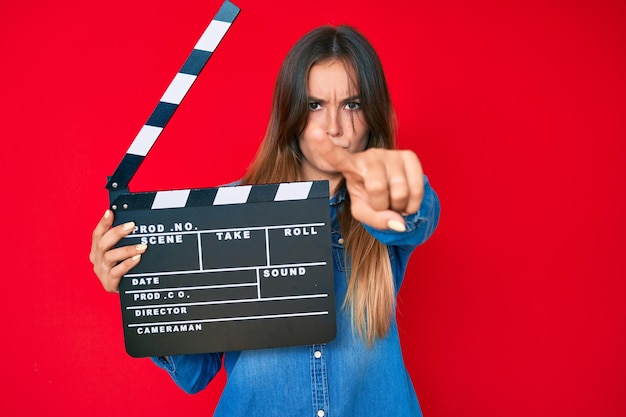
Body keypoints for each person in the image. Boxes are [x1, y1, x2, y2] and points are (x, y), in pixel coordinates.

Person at [90, 24, 440, 416]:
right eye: (315, 105)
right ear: (291, 112)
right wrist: (140, 290)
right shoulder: (228, 215)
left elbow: (419, 216)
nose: (334, 127)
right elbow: (196, 374)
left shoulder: (381, 206)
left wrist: (398, 196)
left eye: (352, 105)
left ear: (372, 116)